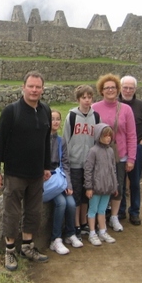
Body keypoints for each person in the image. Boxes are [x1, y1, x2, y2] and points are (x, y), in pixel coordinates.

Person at [0, 70, 52, 271]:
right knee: (12, 213)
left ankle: (27, 247)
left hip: (36, 174)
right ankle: (9, 251)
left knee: (33, 212)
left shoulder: (45, 111)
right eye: (31, 86)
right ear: (23, 87)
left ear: (43, 89)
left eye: (38, 87)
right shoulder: (11, 111)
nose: (34, 90)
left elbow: (45, 142)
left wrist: (46, 167)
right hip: (15, 172)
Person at [92, 74, 137, 232]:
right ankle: (99, 216)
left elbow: (131, 135)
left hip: (120, 154)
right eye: (107, 88)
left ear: (118, 90)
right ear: (101, 91)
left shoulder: (126, 109)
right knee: (100, 185)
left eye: (113, 87)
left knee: (118, 185)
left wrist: (131, 158)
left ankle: (114, 216)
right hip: (100, 154)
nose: (110, 90)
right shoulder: (95, 108)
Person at [63, 85, 100, 238]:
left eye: (89, 97)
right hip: (75, 162)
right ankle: (76, 224)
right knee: (76, 195)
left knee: (87, 194)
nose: (87, 100)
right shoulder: (71, 116)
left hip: (89, 163)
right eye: (83, 97)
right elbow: (65, 140)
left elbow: (98, 139)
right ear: (78, 99)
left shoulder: (96, 116)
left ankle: (84, 222)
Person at [118, 75, 142, 226]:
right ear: (121, 88)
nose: (127, 90)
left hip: (136, 148)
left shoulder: (141, 106)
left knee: (135, 182)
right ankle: (120, 210)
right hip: (118, 149)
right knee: (119, 182)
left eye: (130, 88)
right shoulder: (115, 104)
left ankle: (135, 212)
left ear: (135, 89)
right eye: (125, 87)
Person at [48, 109, 84, 254]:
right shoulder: (41, 139)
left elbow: (65, 163)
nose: (55, 122)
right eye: (52, 119)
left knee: (71, 203)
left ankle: (70, 234)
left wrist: (68, 183)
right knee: (61, 203)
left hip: (60, 177)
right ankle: (55, 239)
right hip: (48, 179)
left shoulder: (61, 140)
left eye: (58, 119)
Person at [84, 123, 118, 246]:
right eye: (105, 135)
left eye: (110, 135)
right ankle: (92, 232)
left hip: (107, 188)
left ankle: (102, 231)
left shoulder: (110, 151)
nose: (108, 138)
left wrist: (114, 186)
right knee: (93, 210)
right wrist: (89, 187)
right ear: (99, 136)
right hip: (96, 188)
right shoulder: (93, 151)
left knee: (102, 210)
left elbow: (113, 169)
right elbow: (88, 170)